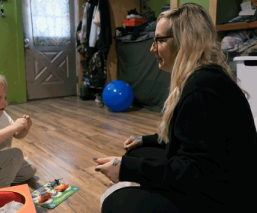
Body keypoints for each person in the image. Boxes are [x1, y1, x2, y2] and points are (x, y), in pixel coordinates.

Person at [94, 3, 257, 213]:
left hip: (225, 200)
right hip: (216, 181)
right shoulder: (202, 77)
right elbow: (190, 137)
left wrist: (127, 170)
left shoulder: (201, 89)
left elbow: (196, 172)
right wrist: (146, 140)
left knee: (116, 203)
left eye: (159, 40)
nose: (152, 48)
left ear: (185, 42)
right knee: (137, 153)